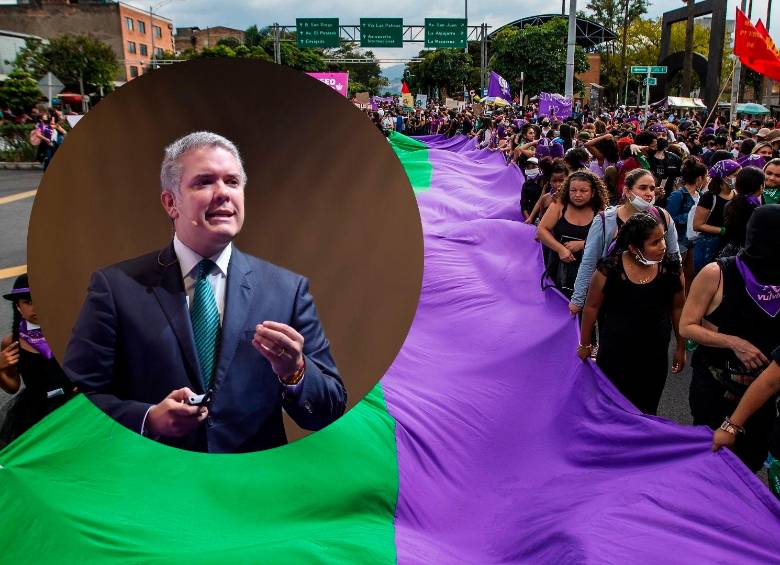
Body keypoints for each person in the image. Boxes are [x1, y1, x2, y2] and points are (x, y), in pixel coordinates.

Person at [63, 132, 347, 453]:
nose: (223, 193)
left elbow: (328, 409)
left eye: (233, 181)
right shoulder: (115, 287)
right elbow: (77, 399)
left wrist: (295, 372)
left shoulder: (287, 289)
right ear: (171, 202)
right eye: (204, 182)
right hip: (153, 481)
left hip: (248, 487)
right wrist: (147, 419)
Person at [681, 205, 780, 472]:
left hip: (762, 395)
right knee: (712, 466)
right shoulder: (718, 273)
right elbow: (687, 326)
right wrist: (735, 342)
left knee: (751, 463)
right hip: (715, 387)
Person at [578, 212, 686, 414]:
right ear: (634, 248)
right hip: (615, 352)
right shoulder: (608, 270)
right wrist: (585, 343)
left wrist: (681, 347)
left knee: (646, 407)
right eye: (655, 242)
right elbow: (591, 307)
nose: (663, 246)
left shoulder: (671, 269)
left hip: (653, 354)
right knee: (611, 406)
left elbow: (678, 308)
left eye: (663, 238)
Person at [569, 168, 680, 316]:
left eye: (652, 188)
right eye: (643, 188)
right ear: (627, 191)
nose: (649, 193)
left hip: (654, 298)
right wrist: (578, 300)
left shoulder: (662, 216)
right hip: (614, 301)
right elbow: (589, 262)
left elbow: (674, 256)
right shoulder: (605, 221)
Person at [0, 274, 76, 447]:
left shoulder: (69, 331)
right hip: (36, 411)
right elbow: (12, 387)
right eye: (28, 302)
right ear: (18, 306)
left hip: (73, 403)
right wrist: (0, 369)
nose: (36, 307)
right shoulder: (12, 341)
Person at [536, 170, 609, 298]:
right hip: (558, 268)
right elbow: (542, 230)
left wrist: (584, 244)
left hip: (588, 271)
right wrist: (560, 249)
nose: (577, 195)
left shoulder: (601, 210)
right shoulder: (559, 205)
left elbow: (609, 240)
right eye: (573, 190)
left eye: (583, 191)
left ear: (593, 193)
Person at [692, 159, 739, 273]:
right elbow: (697, 225)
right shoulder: (709, 197)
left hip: (729, 245)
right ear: (724, 177)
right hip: (709, 245)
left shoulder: (736, 194)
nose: (738, 178)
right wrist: (721, 230)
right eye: (735, 175)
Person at [719, 166, 764, 258]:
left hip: (729, 251)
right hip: (747, 255)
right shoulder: (757, 210)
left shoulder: (730, 204)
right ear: (761, 186)